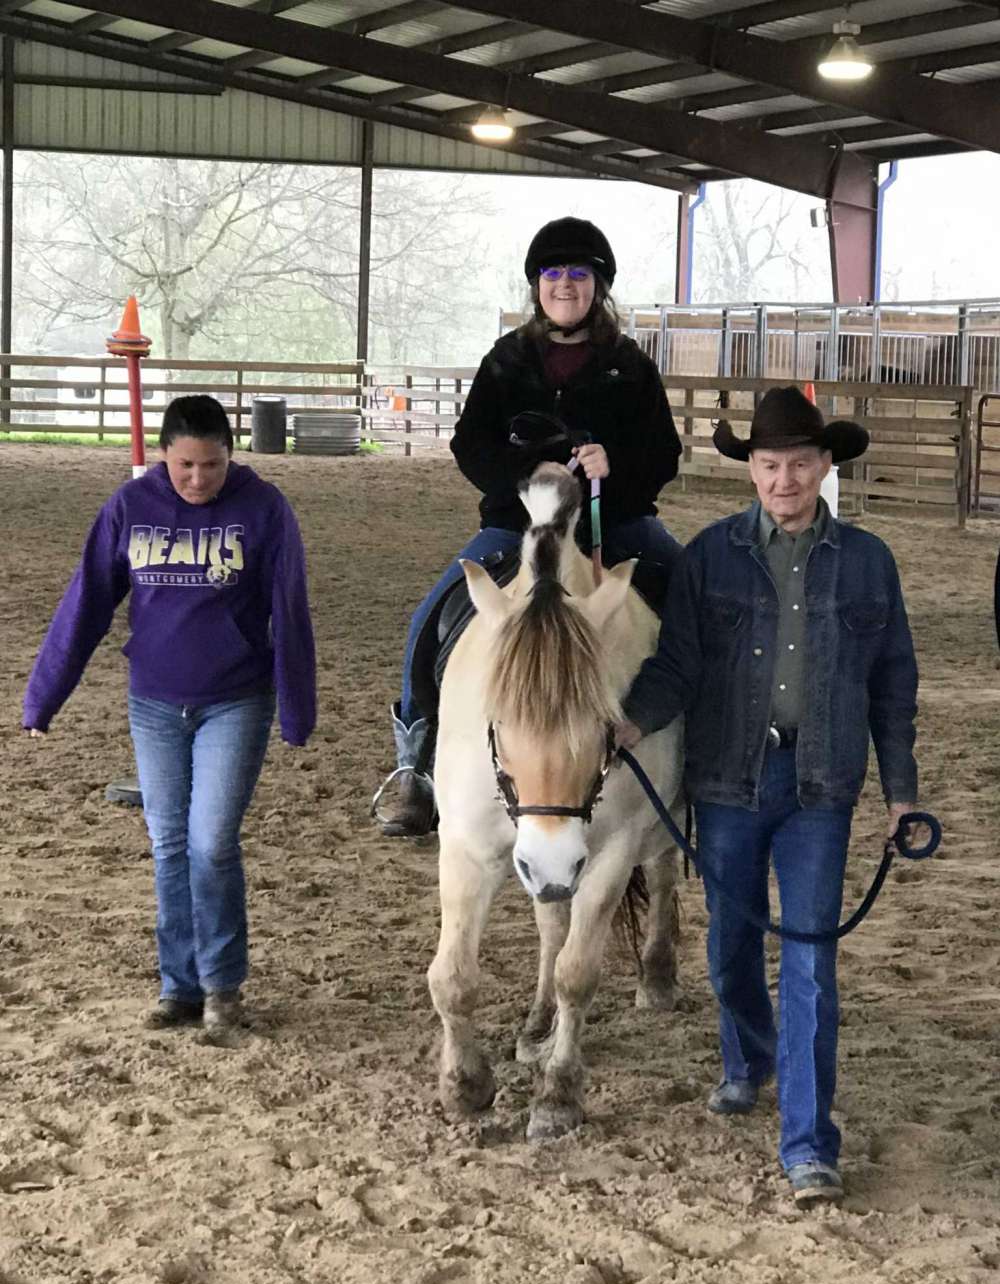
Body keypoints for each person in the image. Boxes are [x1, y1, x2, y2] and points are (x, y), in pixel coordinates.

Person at [617, 386, 919, 1207]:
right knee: (729, 949)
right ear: (748, 469)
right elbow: (677, 666)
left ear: (826, 466)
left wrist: (902, 793)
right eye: (768, 464)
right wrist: (625, 727)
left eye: (798, 463)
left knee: (813, 959)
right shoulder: (707, 557)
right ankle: (748, 1057)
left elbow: (894, 684)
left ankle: (809, 1141)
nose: (784, 479)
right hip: (727, 781)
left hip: (822, 784)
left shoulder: (868, 562)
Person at [373, 215, 684, 836]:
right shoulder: (507, 360)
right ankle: (416, 767)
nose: (564, 284)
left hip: (612, 525)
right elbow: (469, 444)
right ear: (536, 285)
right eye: (552, 274)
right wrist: (525, 472)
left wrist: (613, 468)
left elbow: (665, 454)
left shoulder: (630, 366)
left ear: (598, 285)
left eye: (577, 273)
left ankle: (705, 761)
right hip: (515, 528)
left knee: (695, 594)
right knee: (430, 618)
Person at [23, 395, 316, 1035]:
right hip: (153, 701)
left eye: (211, 466)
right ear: (164, 456)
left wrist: (297, 710)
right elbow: (87, 602)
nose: (196, 480)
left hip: (235, 699)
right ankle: (179, 986)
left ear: (229, 456)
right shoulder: (130, 508)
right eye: (184, 465)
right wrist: (44, 695)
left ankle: (222, 986)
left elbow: (289, 609)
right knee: (169, 844)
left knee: (211, 843)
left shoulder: (264, 510)